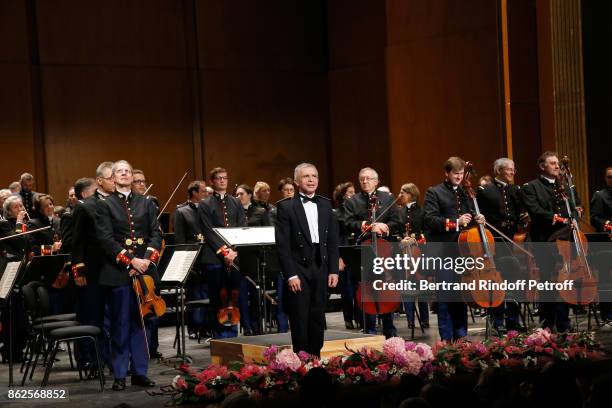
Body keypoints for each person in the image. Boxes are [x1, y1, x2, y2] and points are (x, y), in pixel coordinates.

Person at [95, 160, 161, 390]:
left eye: (128, 171)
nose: (124, 174)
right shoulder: (105, 205)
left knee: (142, 324)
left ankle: (140, 372)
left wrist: (145, 262)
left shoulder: (147, 203)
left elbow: (156, 235)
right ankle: (120, 373)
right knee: (120, 324)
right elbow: (105, 239)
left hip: (145, 274)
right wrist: (130, 261)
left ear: (133, 177)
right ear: (113, 177)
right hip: (118, 274)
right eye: (119, 171)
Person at [275, 163, 339, 356]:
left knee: (318, 316)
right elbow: (282, 245)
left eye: (314, 176)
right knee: (300, 317)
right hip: (298, 268)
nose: (311, 180)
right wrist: (291, 275)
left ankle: (316, 357)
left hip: (321, 265)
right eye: (306, 176)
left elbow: (332, 240)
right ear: (296, 181)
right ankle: (302, 360)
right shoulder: (286, 207)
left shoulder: (326, 204)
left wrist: (334, 269)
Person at [423, 156, 485, 341]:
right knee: (445, 298)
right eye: (456, 174)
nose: (459, 177)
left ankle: (461, 336)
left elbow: (471, 215)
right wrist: (455, 223)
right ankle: (446, 339)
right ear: (447, 173)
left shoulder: (466, 192)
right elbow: (430, 220)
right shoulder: (434, 192)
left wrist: (478, 218)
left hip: (464, 253)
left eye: (461, 174)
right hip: (444, 252)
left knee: (461, 297)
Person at [520, 151, 581, 332]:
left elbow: (576, 206)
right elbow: (535, 210)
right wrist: (558, 218)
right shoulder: (531, 187)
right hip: (544, 240)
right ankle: (548, 322)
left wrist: (575, 216)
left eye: (557, 164)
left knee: (566, 278)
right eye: (553, 163)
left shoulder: (565, 186)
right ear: (542, 166)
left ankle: (563, 321)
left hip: (566, 240)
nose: (557, 166)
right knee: (548, 279)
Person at [344, 167, 401, 338]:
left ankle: (390, 329)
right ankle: (369, 330)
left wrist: (385, 226)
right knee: (367, 288)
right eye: (362, 179)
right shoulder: (352, 201)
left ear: (376, 181)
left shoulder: (388, 198)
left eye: (369, 179)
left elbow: (397, 221)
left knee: (386, 286)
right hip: (365, 250)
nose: (365, 181)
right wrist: (365, 225)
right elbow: (347, 222)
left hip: (386, 250)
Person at [476, 158, 525, 333]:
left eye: (513, 169)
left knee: (514, 280)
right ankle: (498, 319)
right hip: (494, 241)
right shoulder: (485, 191)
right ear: (498, 171)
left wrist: (524, 219)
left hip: (513, 239)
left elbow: (521, 212)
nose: (512, 172)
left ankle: (513, 319)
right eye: (508, 169)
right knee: (496, 281)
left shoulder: (516, 190)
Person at [197, 167, 243, 338]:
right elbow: (208, 231)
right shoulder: (205, 203)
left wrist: (233, 252)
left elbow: (240, 227)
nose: (222, 181)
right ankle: (220, 338)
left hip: (234, 257)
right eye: (218, 178)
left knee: (234, 298)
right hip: (214, 257)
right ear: (212, 181)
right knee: (218, 300)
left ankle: (233, 335)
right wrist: (225, 253)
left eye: (225, 178)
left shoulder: (236, 202)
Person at [70, 177, 105, 379]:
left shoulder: (102, 205)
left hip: (102, 271)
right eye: (95, 189)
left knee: (102, 320)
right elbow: (76, 243)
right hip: (89, 273)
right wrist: (79, 271)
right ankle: (91, 361)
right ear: (84, 194)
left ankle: (102, 359)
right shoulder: (82, 208)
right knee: (90, 318)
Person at [173, 180, 209, 339]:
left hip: (207, 256)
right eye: (203, 191)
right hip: (192, 259)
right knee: (194, 295)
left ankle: (206, 327)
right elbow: (180, 239)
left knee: (207, 294)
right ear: (194, 192)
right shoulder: (182, 211)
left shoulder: (207, 209)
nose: (206, 194)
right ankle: (193, 328)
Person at [398, 182, 429, 329]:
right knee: (406, 285)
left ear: (410, 194)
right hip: (403, 253)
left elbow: (427, 231)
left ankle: (424, 319)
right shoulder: (399, 211)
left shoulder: (422, 211)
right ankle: (410, 320)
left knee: (421, 284)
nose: (400, 195)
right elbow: (397, 230)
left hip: (419, 253)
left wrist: (416, 238)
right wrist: (401, 239)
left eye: (402, 192)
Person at [333, 181, 359, 329]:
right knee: (347, 290)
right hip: (344, 254)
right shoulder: (336, 213)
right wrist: (338, 257)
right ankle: (348, 318)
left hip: (356, 251)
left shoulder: (356, 210)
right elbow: (335, 237)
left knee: (359, 289)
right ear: (343, 196)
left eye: (353, 192)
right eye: (350, 192)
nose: (353, 195)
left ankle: (360, 318)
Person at [590, 166, 612, 323]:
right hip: (607, 244)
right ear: (605, 179)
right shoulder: (600, 196)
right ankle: (607, 312)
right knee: (606, 279)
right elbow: (595, 218)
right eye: (610, 177)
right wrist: (608, 224)